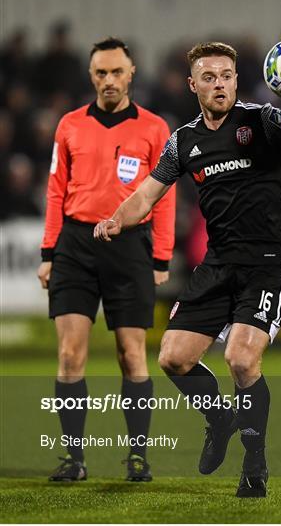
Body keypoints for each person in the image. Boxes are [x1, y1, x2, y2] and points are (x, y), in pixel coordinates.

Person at [94, 42, 281, 497]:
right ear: (192, 84)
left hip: (269, 262)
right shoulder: (184, 141)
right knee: (173, 357)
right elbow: (147, 195)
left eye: (227, 76)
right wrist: (118, 217)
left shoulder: (264, 120)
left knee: (240, 358)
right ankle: (219, 419)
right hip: (218, 264)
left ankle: (255, 465)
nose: (220, 84)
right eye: (210, 77)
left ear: (237, 80)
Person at [37, 37, 176, 482]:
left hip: (130, 245)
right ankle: (74, 460)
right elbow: (56, 189)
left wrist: (160, 255)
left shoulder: (155, 129)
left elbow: (166, 196)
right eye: (101, 73)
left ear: (132, 72)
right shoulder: (70, 125)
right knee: (69, 355)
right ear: (91, 75)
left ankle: (138, 457)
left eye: (117, 71)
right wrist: (48, 253)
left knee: (132, 355)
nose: (109, 80)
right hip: (75, 246)